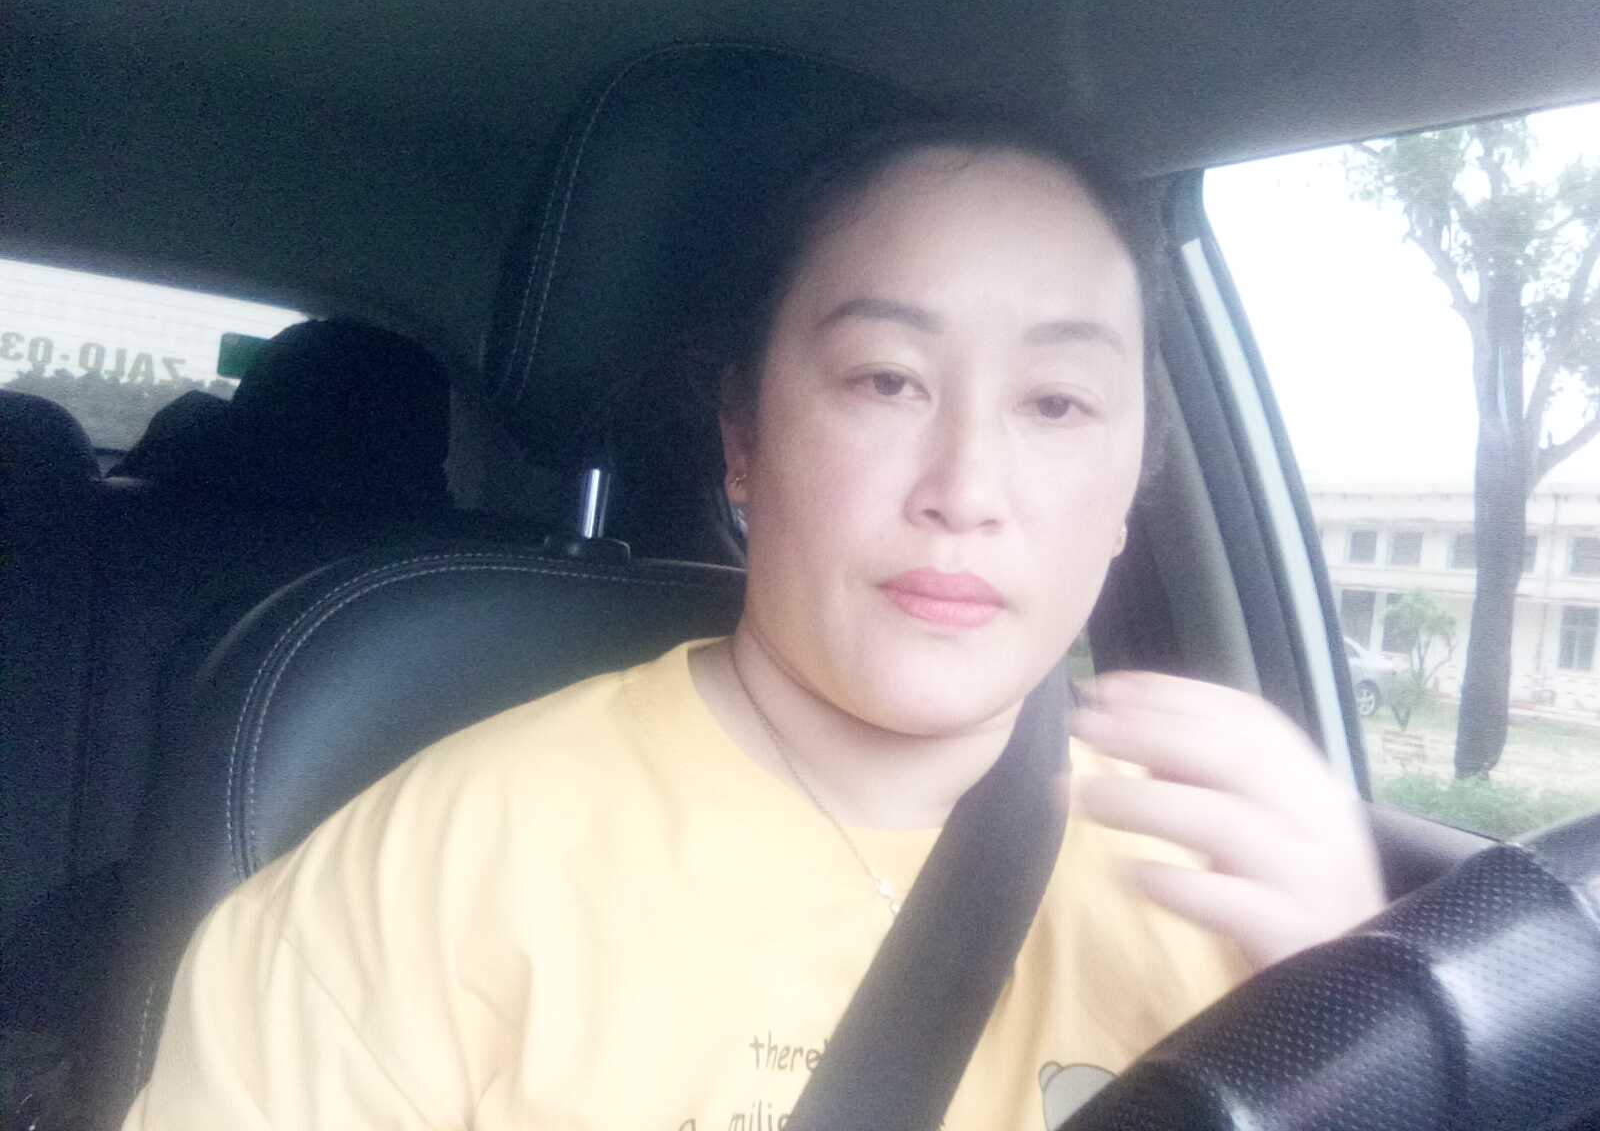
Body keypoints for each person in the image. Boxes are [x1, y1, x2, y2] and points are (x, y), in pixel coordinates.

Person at [122, 116, 1384, 1129]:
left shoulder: (1250, 897)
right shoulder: (431, 877)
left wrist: (1371, 1029)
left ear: (1127, 491)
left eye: (1055, 404)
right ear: (744, 440)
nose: (965, 488)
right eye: (886, 380)